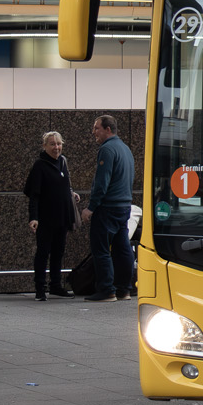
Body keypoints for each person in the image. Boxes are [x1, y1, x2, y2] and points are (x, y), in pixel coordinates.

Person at [80, 114, 135, 303]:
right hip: (124, 205)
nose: (93, 132)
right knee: (122, 248)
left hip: (107, 207)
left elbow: (102, 182)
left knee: (101, 248)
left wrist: (91, 207)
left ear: (108, 129)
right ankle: (124, 289)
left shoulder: (107, 149)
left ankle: (106, 290)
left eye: (97, 128)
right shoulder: (125, 149)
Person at [24, 131, 78, 300]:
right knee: (43, 252)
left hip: (62, 216)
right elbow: (34, 195)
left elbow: (64, 185)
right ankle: (40, 288)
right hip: (46, 218)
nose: (56, 147)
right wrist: (34, 217)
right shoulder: (40, 165)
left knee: (58, 251)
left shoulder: (63, 162)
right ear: (44, 146)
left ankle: (56, 285)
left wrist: (72, 193)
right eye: (52, 144)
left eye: (59, 144)